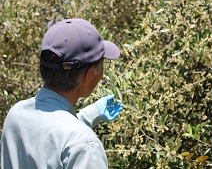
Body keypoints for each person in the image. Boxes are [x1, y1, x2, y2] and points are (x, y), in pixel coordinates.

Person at [1, 18, 123, 169]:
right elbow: (67, 140)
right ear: (89, 74)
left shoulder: (16, 114)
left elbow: (51, 138)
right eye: (102, 64)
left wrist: (92, 114)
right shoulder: (85, 147)